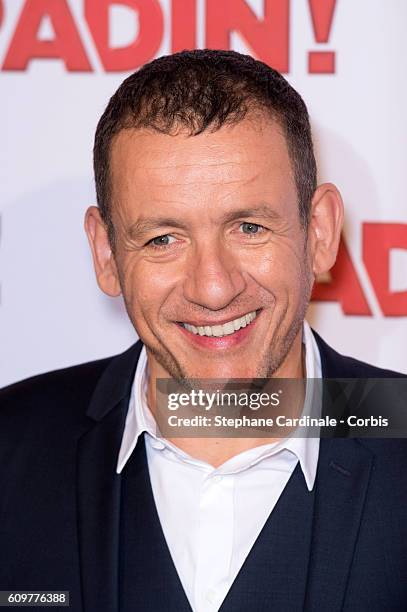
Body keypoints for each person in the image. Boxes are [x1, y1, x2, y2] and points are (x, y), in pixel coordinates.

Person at [1, 49, 406, 612]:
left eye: (249, 227)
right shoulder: (10, 449)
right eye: (163, 238)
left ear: (318, 232)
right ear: (106, 252)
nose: (213, 288)